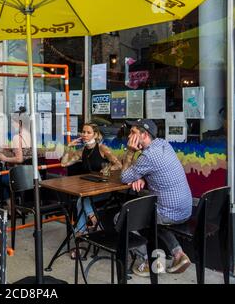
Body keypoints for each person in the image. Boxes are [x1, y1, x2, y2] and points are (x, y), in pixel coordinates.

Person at [121, 119, 192, 277]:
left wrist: (131, 152)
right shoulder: (163, 144)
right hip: (185, 208)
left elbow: (124, 177)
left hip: (169, 212)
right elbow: (158, 170)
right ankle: (179, 255)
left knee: (123, 218)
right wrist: (142, 177)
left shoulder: (148, 156)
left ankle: (151, 260)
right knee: (152, 219)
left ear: (145, 134)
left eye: (133, 133)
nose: (129, 136)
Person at [61, 123, 122, 258]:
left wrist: (106, 169)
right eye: (83, 132)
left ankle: (82, 238)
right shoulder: (82, 150)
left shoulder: (102, 148)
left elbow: (118, 164)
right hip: (88, 188)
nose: (84, 134)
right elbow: (64, 163)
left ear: (95, 134)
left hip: (104, 189)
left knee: (81, 201)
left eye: (88, 132)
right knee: (82, 200)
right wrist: (68, 148)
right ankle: (95, 227)